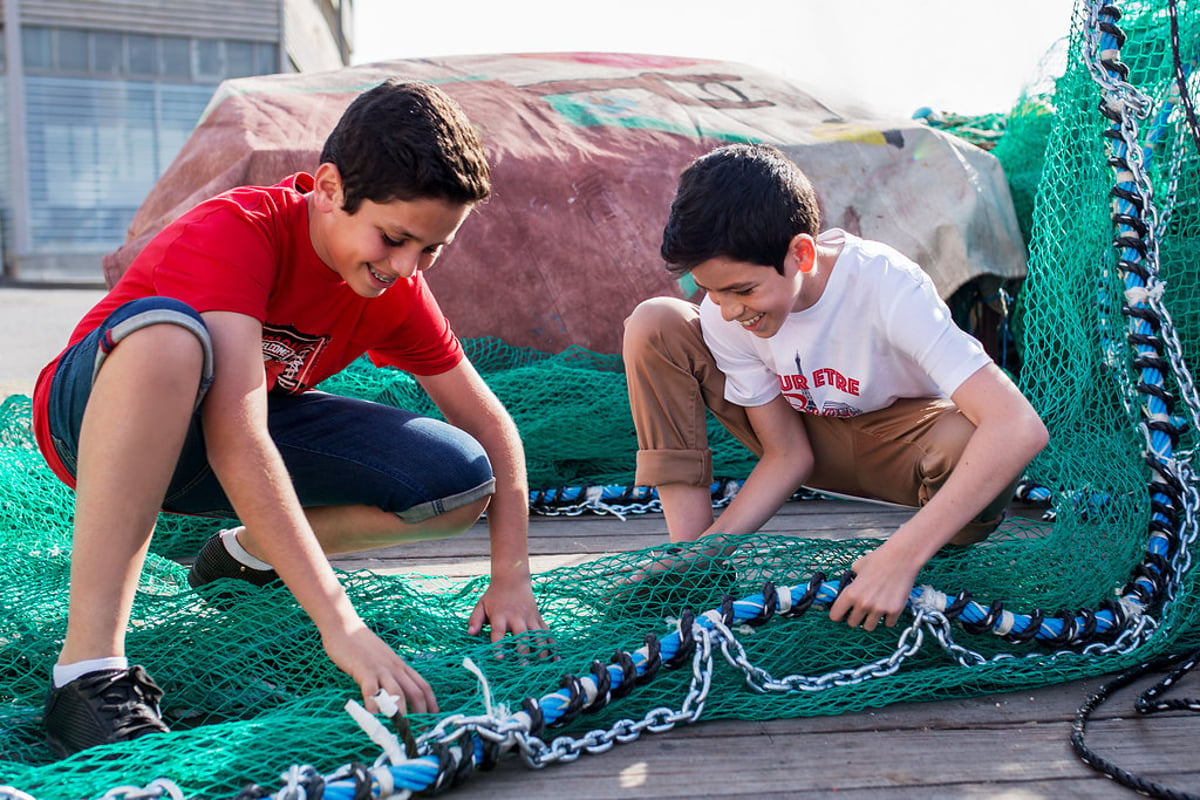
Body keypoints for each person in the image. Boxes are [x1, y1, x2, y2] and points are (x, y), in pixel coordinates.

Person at [31, 79, 546, 757]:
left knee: (458, 482)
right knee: (169, 338)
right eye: (394, 239)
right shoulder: (236, 232)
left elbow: (490, 422)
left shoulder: (394, 288)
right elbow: (238, 438)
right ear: (328, 188)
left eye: (430, 250)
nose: (406, 267)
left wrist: (509, 573)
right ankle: (89, 673)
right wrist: (341, 624)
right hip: (97, 420)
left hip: (220, 445)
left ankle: (245, 555)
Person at [622, 142, 1048, 631]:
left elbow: (1019, 426)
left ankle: (932, 561)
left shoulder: (886, 286)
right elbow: (788, 456)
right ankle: (695, 570)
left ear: (800, 252)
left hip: (901, 449)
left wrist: (899, 556)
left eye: (743, 289)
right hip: (804, 439)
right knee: (656, 321)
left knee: (974, 439)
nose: (729, 308)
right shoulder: (726, 314)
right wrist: (707, 550)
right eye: (712, 291)